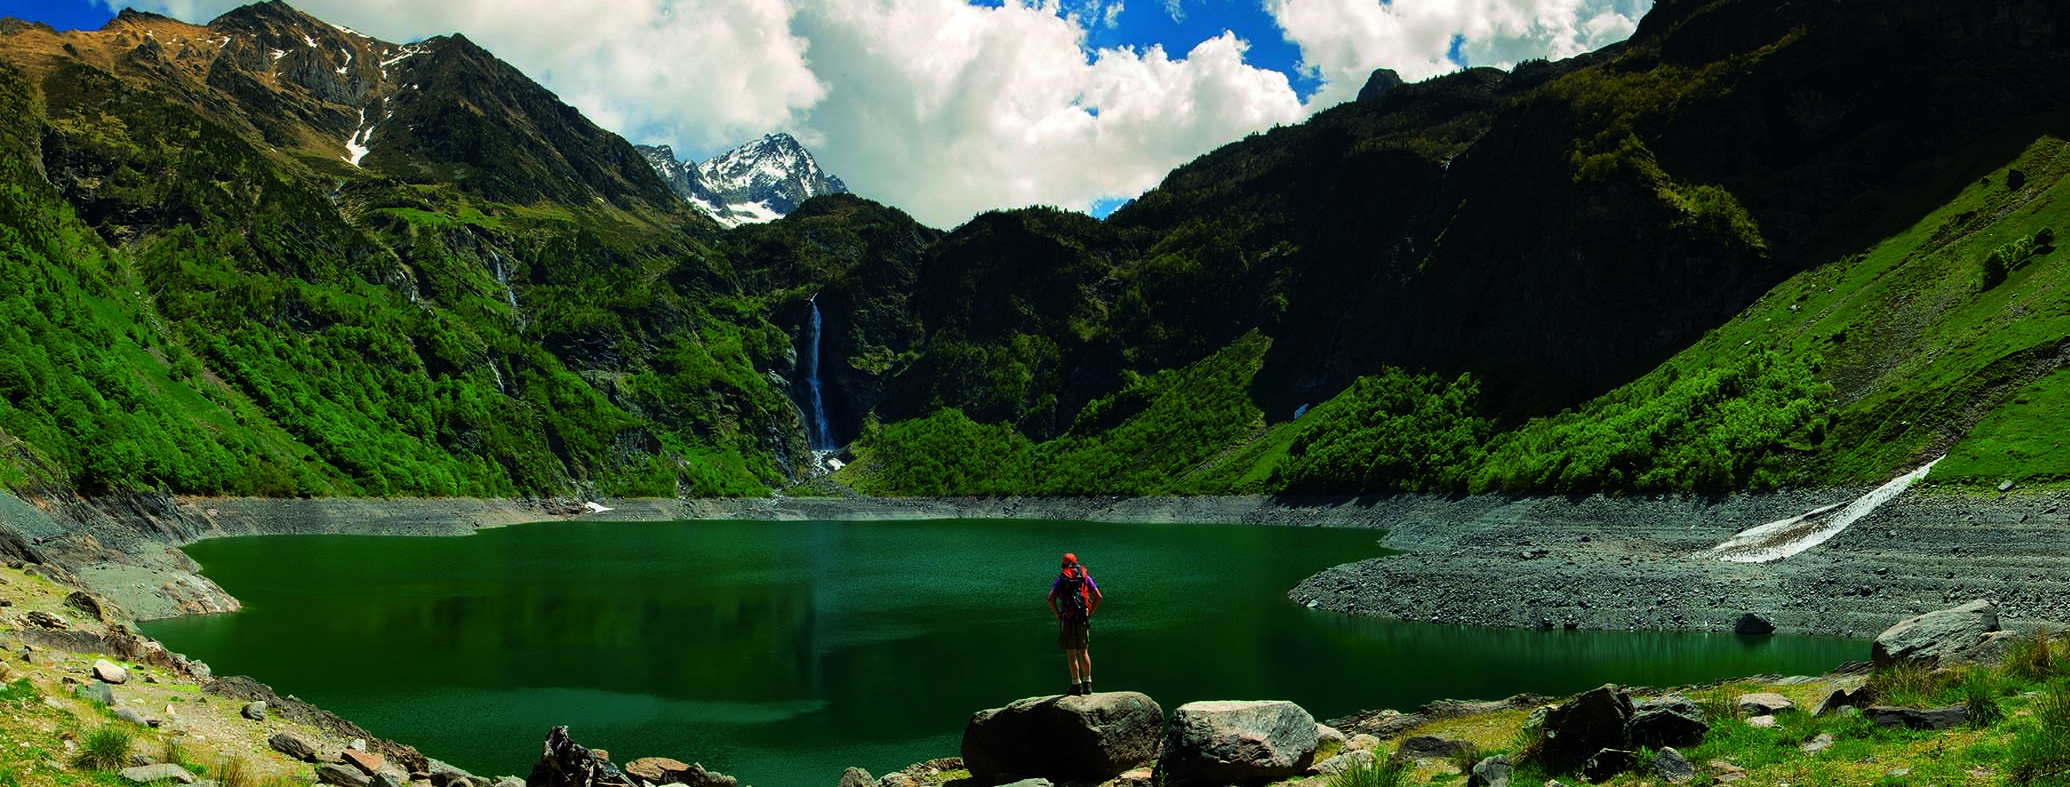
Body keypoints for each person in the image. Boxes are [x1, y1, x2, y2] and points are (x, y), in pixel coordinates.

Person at [1046, 552, 1103, 696]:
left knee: (1071, 654)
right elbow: (1098, 597)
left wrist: (1058, 614)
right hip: (1083, 617)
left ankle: (1076, 684)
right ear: (1076, 563)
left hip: (1067, 618)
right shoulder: (1084, 577)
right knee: (1083, 651)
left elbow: (1050, 598)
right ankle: (1088, 683)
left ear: (1063, 565)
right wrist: (1090, 612)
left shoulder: (1062, 578)